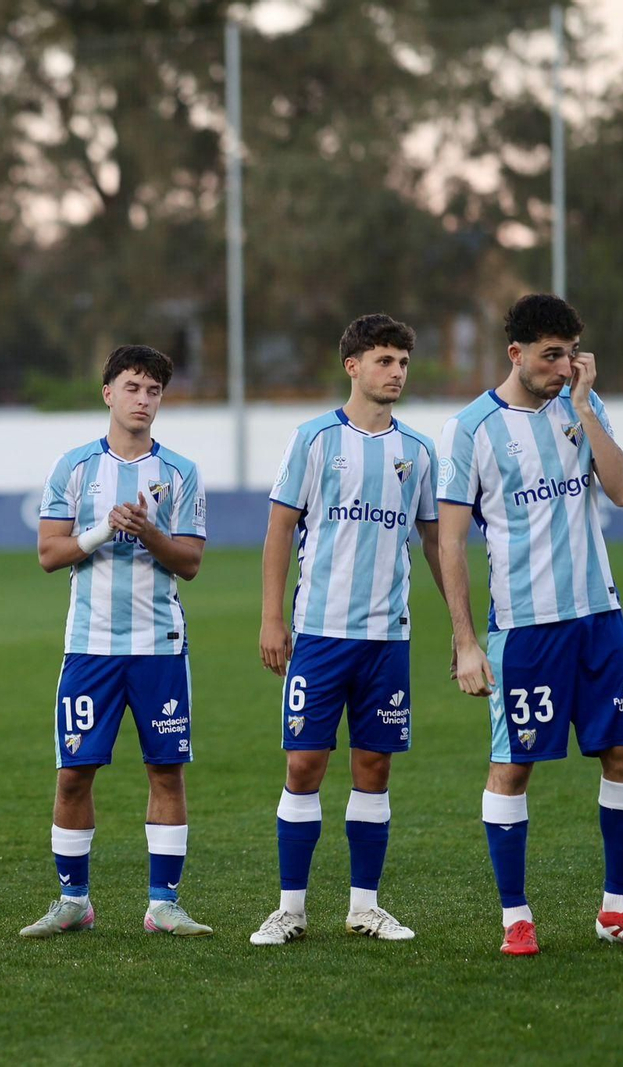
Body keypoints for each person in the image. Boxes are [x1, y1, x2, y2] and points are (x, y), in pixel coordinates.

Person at [439, 293, 623, 955]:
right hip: (526, 628)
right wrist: (464, 642)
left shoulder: (580, 406)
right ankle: (516, 915)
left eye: (570, 353)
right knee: (512, 767)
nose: (564, 366)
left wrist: (588, 408)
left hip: (600, 617)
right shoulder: (473, 428)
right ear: (515, 353)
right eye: (550, 355)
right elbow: (450, 541)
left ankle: (616, 909)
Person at [250, 314, 445, 946]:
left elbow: (435, 540)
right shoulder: (313, 439)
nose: (396, 373)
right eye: (385, 361)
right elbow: (281, 528)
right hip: (320, 634)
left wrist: (465, 626)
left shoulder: (416, 451)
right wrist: (273, 616)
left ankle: (364, 905)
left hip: (387, 638)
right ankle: (290, 908)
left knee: (374, 767)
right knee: (304, 764)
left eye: (403, 363)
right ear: (353, 366)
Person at [19, 345, 211, 940]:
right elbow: (50, 554)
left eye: (154, 391)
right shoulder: (74, 468)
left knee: (166, 771)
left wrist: (150, 532)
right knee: (74, 774)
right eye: (133, 388)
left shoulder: (180, 473)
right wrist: (105, 529)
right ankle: (73, 900)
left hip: (160, 646)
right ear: (108, 394)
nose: (143, 400)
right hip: (90, 647)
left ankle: (163, 905)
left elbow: (192, 562)